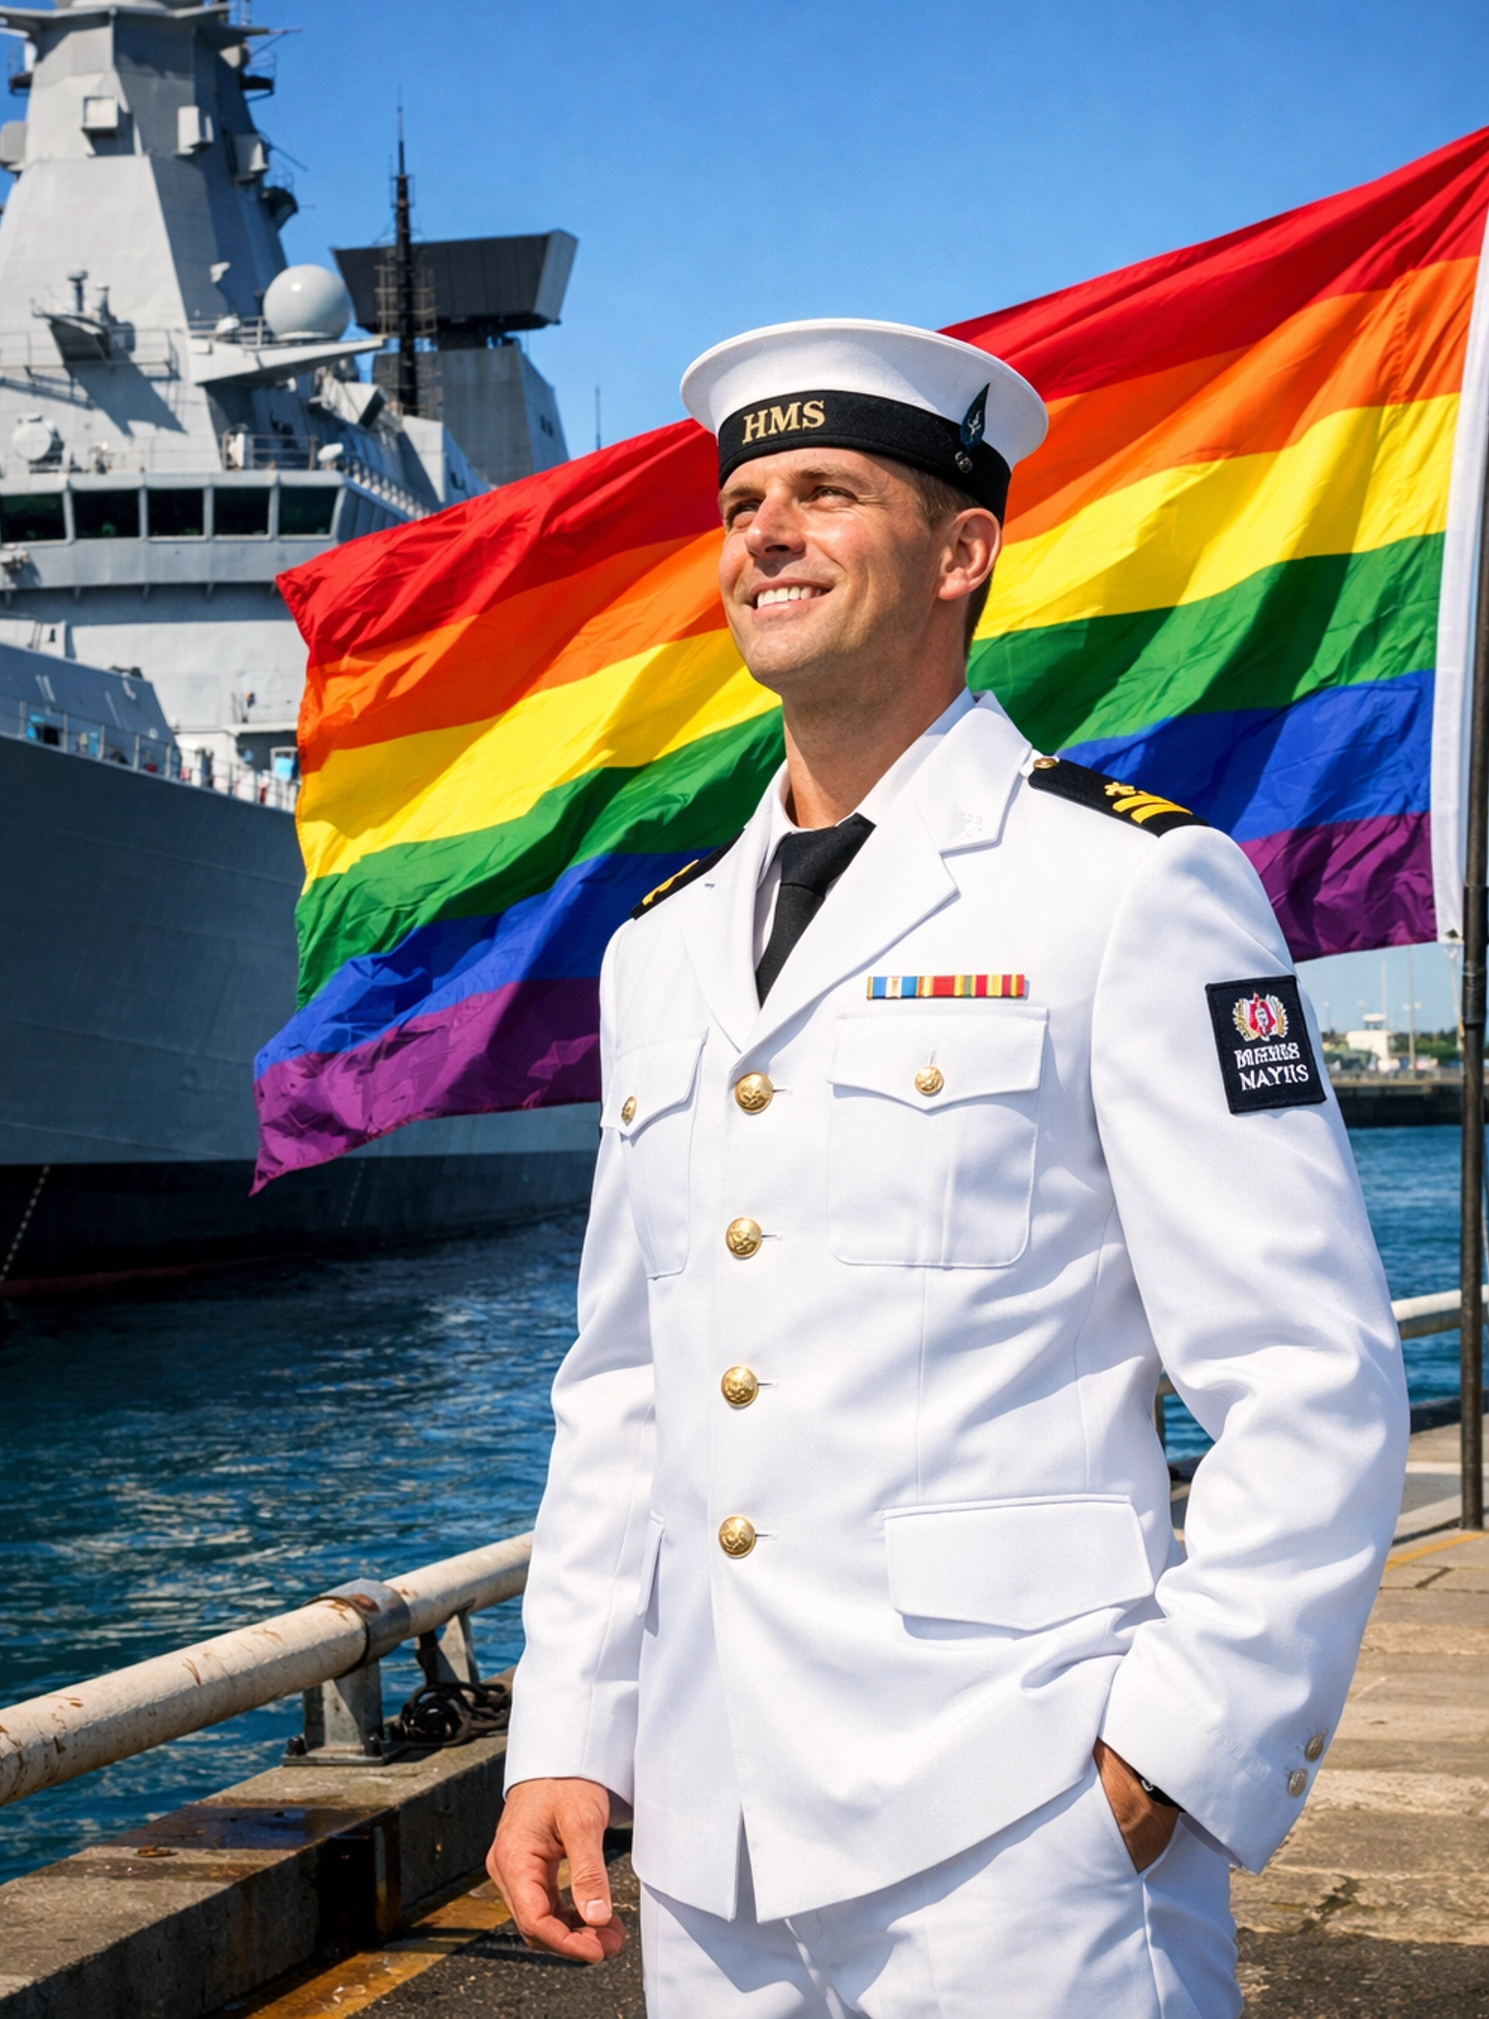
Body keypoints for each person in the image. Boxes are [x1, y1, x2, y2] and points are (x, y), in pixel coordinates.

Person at [487, 318, 1409, 2016]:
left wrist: (1173, 1759)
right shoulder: (660, 950)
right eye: (744, 496)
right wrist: (565, 1733)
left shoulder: (1131, 891)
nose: (765, 530)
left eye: (827, 492)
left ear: (962, 552)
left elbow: (1308, 1373)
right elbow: (629, 1385)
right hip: (711, 1847)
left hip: (1023, 1822)